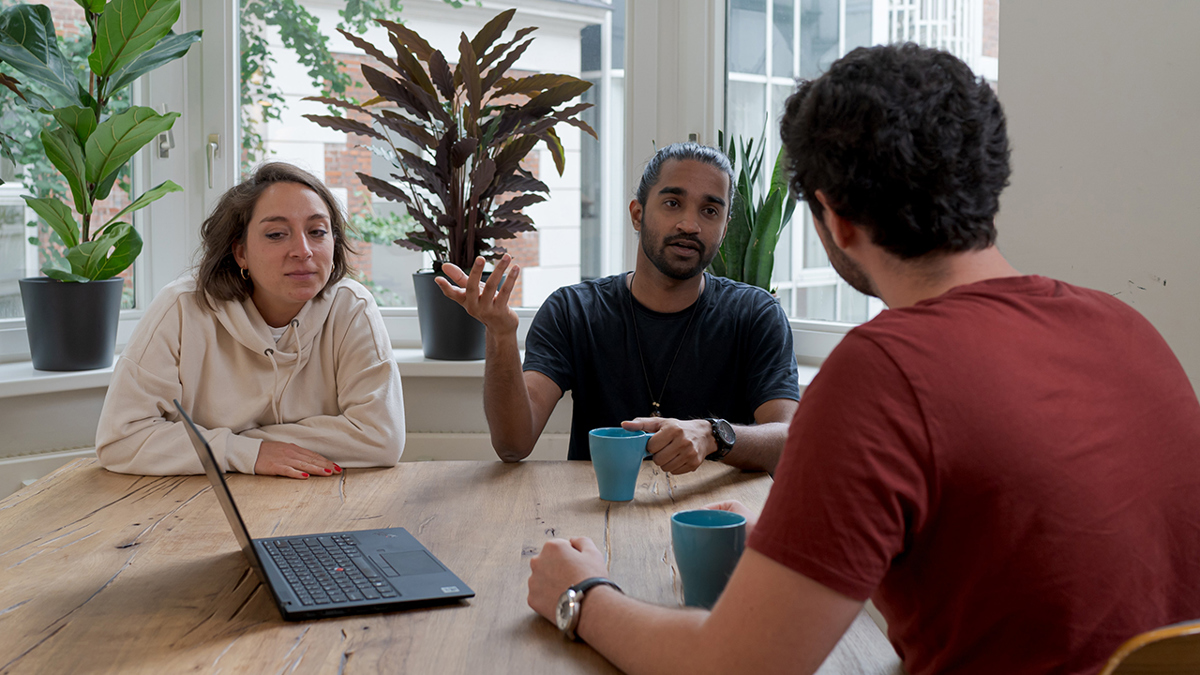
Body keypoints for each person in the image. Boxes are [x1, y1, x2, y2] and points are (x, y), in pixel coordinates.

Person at [524, 43, 1200, 674]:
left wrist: (581, 595)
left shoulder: (884, 373)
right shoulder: (1127, 327)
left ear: (836, 220)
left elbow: (732, 664)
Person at [436, 143, 799, 475]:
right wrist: (500, 336)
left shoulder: (756, 314)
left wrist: (713, 435)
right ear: (637, 215)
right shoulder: (573, 310)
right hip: (596, 519)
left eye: (709, 210)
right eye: (673, 203)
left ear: (723, 228)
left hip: (712, 521)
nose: (690, 224)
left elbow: (788, 441)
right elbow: (513, 445)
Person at [96, 162, 405, 478]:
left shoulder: (351, 306)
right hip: (196, 504)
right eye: (276, 234)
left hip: (319, 497)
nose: (303, 250)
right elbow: (120, 439)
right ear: (240, 252)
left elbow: (381, 438)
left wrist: (230, 444)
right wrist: (243, 453)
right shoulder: (181, 308)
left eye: (317, 232)